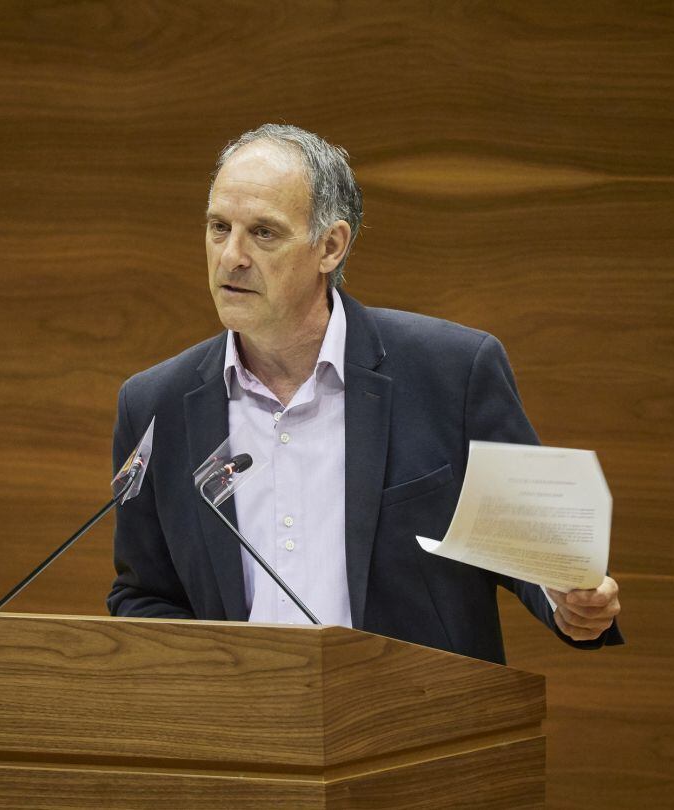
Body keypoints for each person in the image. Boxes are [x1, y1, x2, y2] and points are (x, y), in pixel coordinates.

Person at [107, 124, 621, 663]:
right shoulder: (153, 406)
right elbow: (145, 594)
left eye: (263, 233)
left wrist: (569, 601)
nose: (231, 256)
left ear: (330, 246)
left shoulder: (451, 372)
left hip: (415, 723)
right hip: (244, 730)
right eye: (218, 227)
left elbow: (536, 557)